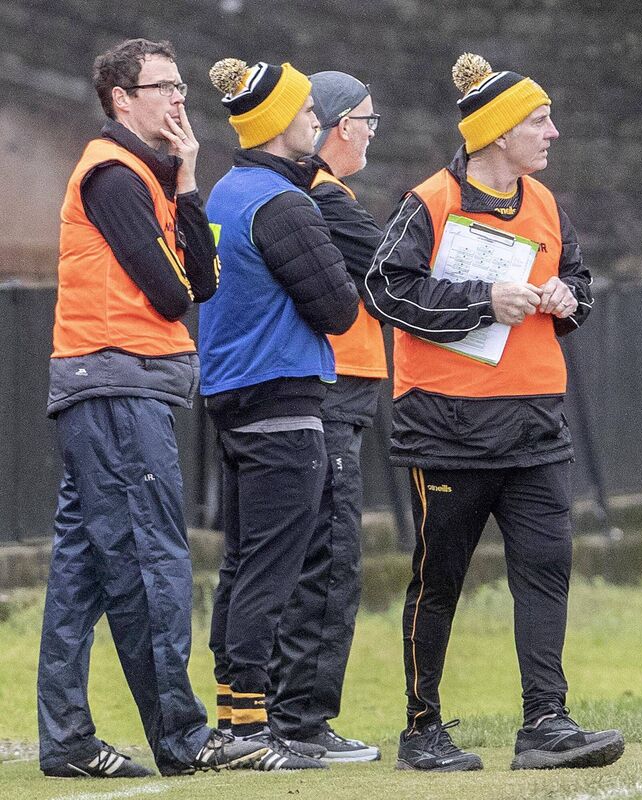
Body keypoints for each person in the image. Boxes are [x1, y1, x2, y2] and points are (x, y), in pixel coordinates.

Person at [364, 53, 624, 772]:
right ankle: (421, 731)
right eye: (539, 121)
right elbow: (385, 291)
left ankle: (545, 722)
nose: (553, 133)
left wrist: (569, 298)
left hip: (536, 427)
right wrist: (483, 301)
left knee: (546, 570)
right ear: (499, 133)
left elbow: (576, 276)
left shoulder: (544, 203)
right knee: (438, 578)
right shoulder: (427, 202)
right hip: (445, 427)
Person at [37, 38, 265, 779]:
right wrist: (177, 193)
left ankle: (68, 740)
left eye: (180, 88)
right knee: (151, 560)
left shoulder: (156, 177)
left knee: (82, 570)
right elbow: (171, 293)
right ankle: (184, 737)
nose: (178, 101)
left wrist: (192, 180)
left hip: (115, 387)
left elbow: (198, 281)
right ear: (120, 99)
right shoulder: (112, 175)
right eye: (162, 87)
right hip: (113, 386)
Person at [200, 57, 359, 771]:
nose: (316, 122)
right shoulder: (284, 203)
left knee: (242, 562)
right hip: (283, 403)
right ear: (274, 126)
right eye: (304, 113)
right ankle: (249, 733)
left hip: (232, 400)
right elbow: (336, 308)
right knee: (272, 568)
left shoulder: (225, 194)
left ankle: (234, 717)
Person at [267, 71, 386, 762]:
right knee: (332, 558)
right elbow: (393, 268)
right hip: (331, 392)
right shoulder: (325, 199)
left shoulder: (318, 196)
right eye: (368, 120)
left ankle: (278, 714)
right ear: (342, 125)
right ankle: (300, 722)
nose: (372, 133)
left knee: (314, 554)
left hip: (334, 390)